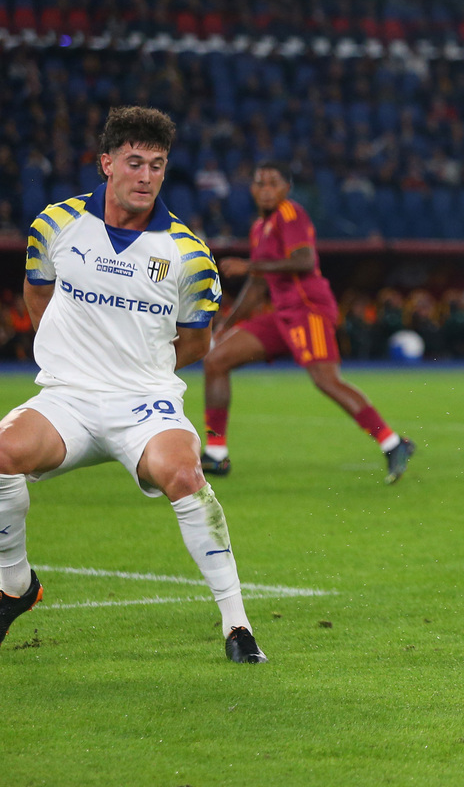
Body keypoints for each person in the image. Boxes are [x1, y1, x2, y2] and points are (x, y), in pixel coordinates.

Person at [0, 106, 265, 662]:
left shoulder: (189, 254)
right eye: (135, 162)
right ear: (107, 163)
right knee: (1, 454)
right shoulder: (56, 223)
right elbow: (37, 294)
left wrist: (143, 372)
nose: (146, 176)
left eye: (157, 165)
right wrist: (69, 360)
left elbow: (197, 341)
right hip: (68, 399)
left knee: (185, 474)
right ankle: (15, 586)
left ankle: (237, 626)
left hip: (144, 403)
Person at [200, 162, 415, 483]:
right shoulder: (259, 227)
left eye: (273, 183)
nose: (266, 190)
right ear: (252, 190)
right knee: (216, 360)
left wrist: (249, 265)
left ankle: (393, 443)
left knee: (326, 380)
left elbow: (304, 260)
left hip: (308, 309)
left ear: (286, 189)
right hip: (282, 313)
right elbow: (257, 286)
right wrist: (226, 325)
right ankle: (216, 453)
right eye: (260, 183)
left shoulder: (291, 214)